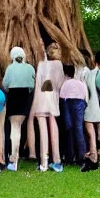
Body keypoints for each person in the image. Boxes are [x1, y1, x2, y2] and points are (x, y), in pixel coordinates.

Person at [28, 42, 65, 173]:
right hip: (53, 99)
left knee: (43, 131)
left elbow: (37, 83)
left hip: (40, 98)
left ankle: (44, 162)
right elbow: (61, 83)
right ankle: (57, 161)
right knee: (54, 130)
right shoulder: (59, 65)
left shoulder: (41, 64)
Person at [2, 46, 35, 172]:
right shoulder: (30, 68)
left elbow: (5, 84)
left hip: (14, 96)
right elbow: (32, 85)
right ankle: (16, 155)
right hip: (25, 97)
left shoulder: (10, 68)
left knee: (14, 128)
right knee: (19, 127)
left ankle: (13, 158)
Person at [80, 51, 100, 172]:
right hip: (95, 104)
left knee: (90, 130)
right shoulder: (92, 72)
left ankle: (94, 156)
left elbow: (85, 89)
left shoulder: (84, 72)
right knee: (96, 129)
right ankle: (99, 151)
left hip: (89, 104)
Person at [59, 64, 87, 166]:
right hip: (79, 102)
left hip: (67, 103)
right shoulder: (80, 83)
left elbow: (61, 96)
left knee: (69, 129)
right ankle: (82, 158)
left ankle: (69, 157)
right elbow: (84, 96)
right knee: (79, 130)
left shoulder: (65, 83)